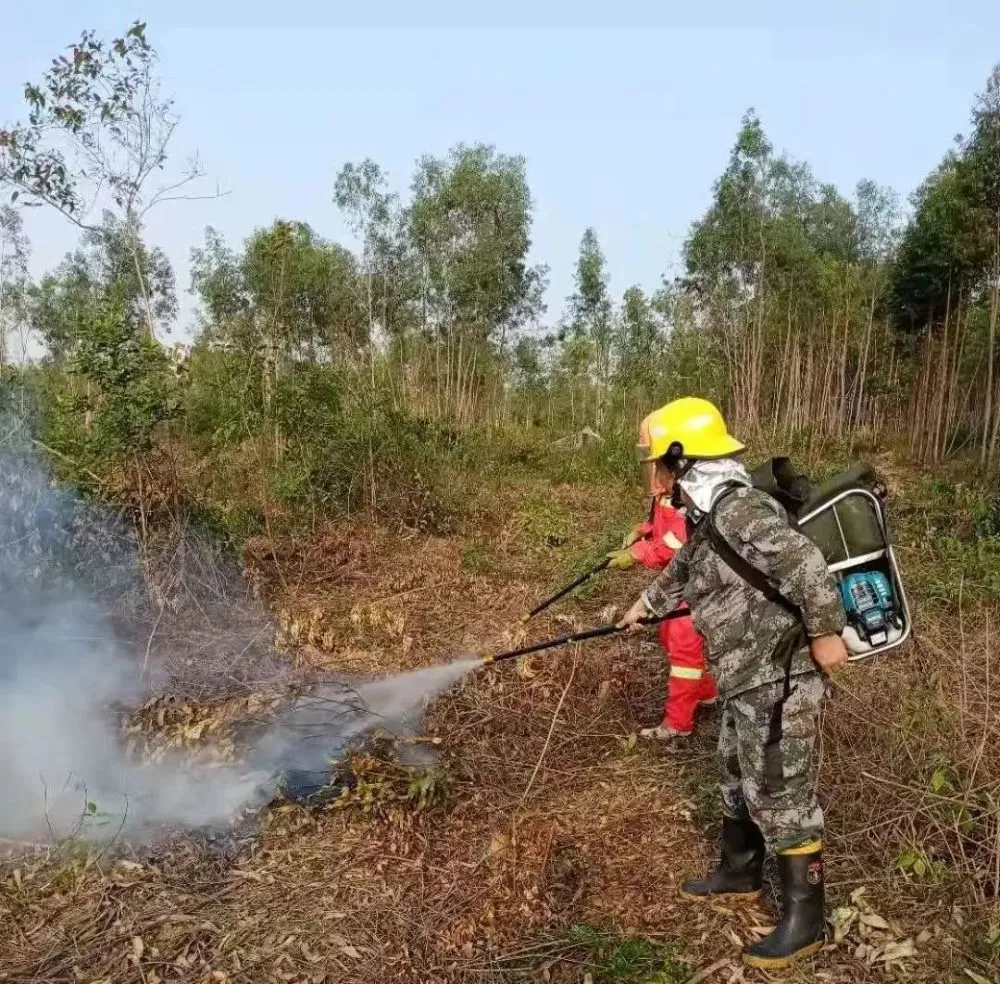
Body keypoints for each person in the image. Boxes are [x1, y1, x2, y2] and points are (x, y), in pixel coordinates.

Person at [617, 396, 849, 970]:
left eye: (660, 463)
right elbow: (686, 567)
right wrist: (645, 605)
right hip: (744, 675)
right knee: (734, 769)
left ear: (681, 457)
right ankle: (739, 871)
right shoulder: (711, 513)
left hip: (780, 673)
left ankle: (806, 918)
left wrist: (825, 632)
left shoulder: (742, 509)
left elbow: (805, 564)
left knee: (780, 790)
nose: (657, 475)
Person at [605, 410, 717, 739]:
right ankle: (706, 692)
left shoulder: (694, 495)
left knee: (683, 647)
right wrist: (641, 530)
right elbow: (662, 528)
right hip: (677, 586)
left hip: (695, 585)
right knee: (670, 636)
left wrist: (636, 553)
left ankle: (677, 724)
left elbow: (678, 544)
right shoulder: (667, 492)